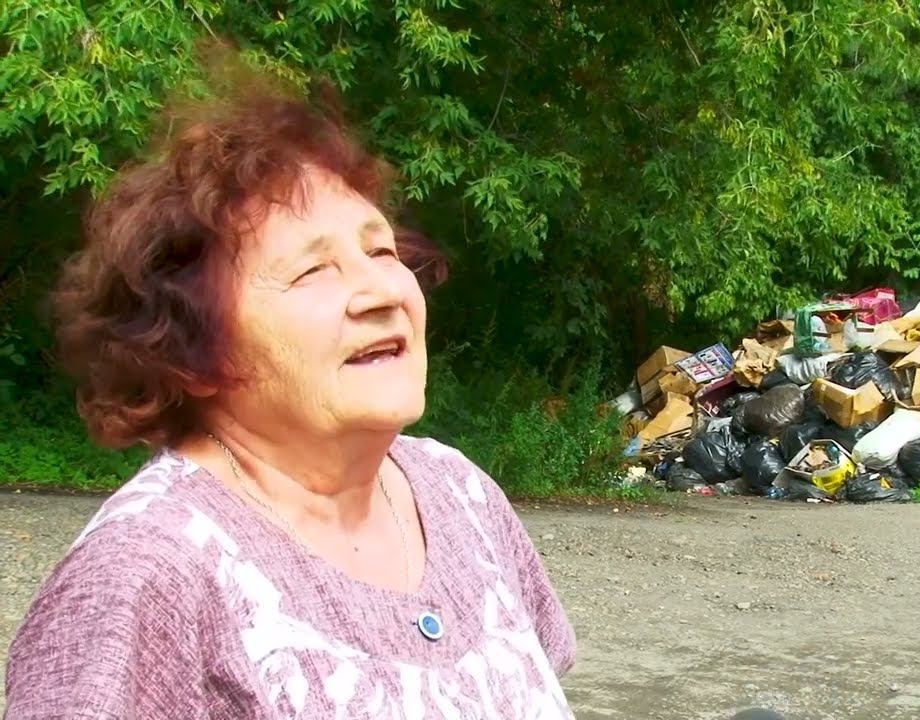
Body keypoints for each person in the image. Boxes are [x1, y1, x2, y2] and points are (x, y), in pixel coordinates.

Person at [4, 71, 575, 718]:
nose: (381, 292)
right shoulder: (145, 572)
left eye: (381, 251)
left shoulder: (458, 492)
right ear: (194, 353)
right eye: (312, 270)